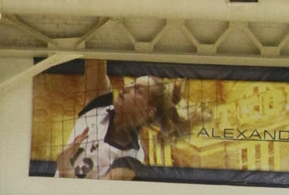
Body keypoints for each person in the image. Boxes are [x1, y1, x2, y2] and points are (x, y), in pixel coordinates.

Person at [55, 73, 190, 180]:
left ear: (149, 110)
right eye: (132, 83)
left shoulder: (131, 159)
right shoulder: (99, 104)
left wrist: (65, 166)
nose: (126, 87)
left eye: (137, 90)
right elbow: (95, 55)